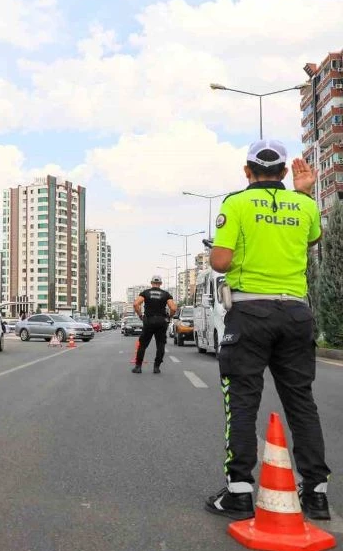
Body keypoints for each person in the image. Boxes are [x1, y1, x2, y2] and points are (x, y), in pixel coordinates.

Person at [204, 139, 330, 521]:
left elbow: (222, 262)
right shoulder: (306, 205)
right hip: (295, 313)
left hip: (250, 313)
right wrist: (302, 194)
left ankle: (239, 492)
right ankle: (316, 494)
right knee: (301, 402)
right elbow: (312, 239)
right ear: (283, 172)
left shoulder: (236, 203)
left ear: (247, 171)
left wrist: (222, 249)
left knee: (242, 400)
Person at [132, 275, 176, 375]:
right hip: (161, 321)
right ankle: (156, 367)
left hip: (149, 321)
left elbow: (135, 304)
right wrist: (169, 317)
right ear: (160, 283)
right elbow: (173, 308)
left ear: (151, 283)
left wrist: (140, 315)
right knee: (160, 345)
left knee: (143, 344)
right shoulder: (166, 294)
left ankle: (138, 367)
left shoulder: (145, 293)